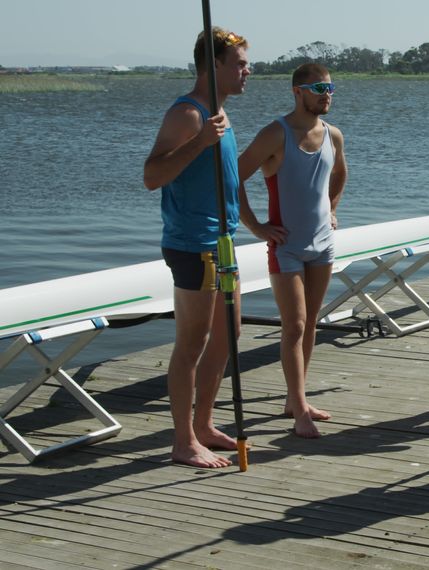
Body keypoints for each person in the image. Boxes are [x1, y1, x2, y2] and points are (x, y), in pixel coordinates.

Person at [143, 27, 250, 468]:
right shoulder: (189, 116)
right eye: (240, 63)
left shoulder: (219, 113)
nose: (248, 71)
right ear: (214, 66)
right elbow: (153, 176)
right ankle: (183, 441)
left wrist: (254, 223)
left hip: (223, 243)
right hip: (193, 244)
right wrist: (200, 141)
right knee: (191, 344)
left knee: (230, 335)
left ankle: (204, 424)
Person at [237, 63, 347, 439]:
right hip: (286, 247)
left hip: (323, 246)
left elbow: (340, 174)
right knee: (295, 324)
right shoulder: (276, 133)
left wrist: (332, 209)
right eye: (319, 88)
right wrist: (256, 227)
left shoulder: (333, 134)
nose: (326, 94)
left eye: (330, 89)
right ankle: (300, 409)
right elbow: (233, 177)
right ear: (297, 91)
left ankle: (294, 398)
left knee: (311, 321)